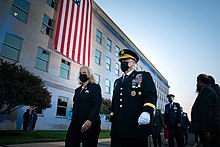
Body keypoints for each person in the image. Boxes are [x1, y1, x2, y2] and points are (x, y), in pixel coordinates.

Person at [110, 49, 157, 147]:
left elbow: (150, 95)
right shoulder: (117, 82)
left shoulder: (143, 76)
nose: (122, 63)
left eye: (125, 60)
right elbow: (115, 102)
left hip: (136, 129)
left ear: (133, 62)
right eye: (121, 61)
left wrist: (147, 111)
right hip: (118, 130)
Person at [65, 66, 102, 147]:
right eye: (80, 73)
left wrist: (89, 120)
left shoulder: (95, 87)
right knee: (70, 142)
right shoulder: (77, 90)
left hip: (90, 124)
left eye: (84, 73)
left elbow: (96, 105)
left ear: (89, 74)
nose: (82, 74)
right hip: (75, 124)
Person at [191, 74, 220, 147]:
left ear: (200, 81)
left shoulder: (206, 90)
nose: (196, 84)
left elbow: (206, 111)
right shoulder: (214, 90)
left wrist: (205, 129)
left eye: (197, 82)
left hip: (210, 130)